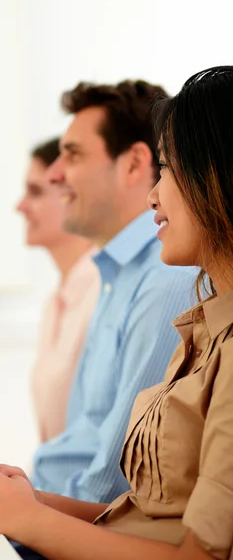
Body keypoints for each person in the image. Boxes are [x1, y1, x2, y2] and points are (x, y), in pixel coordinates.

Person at [0, 66, 233, 560]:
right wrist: (27, 502)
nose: (153, 196)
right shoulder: (204, 327)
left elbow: (197, 556)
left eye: (168, 170)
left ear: (218, 177)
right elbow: (143, 512)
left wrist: (25, 517)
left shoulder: (179, 298)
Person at [27, 79, 194, 504]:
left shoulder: (164, 276)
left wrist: (27, 511)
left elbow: (116, 478)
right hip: (61, 509)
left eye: (73, 154)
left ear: (135, 164)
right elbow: (91, 434)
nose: (54, 174)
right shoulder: (115, 274)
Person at [16, 138, 100, 443]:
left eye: (35, 192)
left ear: (73, 194)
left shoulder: (103, 292)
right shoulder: (56, 302)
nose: (20, 206)